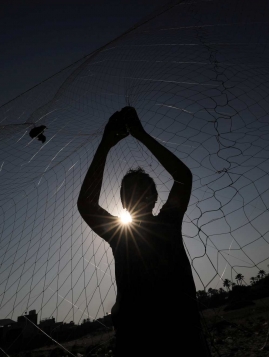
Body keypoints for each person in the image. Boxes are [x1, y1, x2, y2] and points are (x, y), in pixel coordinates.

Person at [77, 107, 211, 357]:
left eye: (140, 189)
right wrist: (105, 145)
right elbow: (86, 204)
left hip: (183, 337)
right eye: (126, 192)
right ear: (123, 203)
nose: (133, 195)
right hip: (135, 340)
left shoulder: (168, 223)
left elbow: (183, 176)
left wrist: (141, 134)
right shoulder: (120, 236)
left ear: (153, 197)